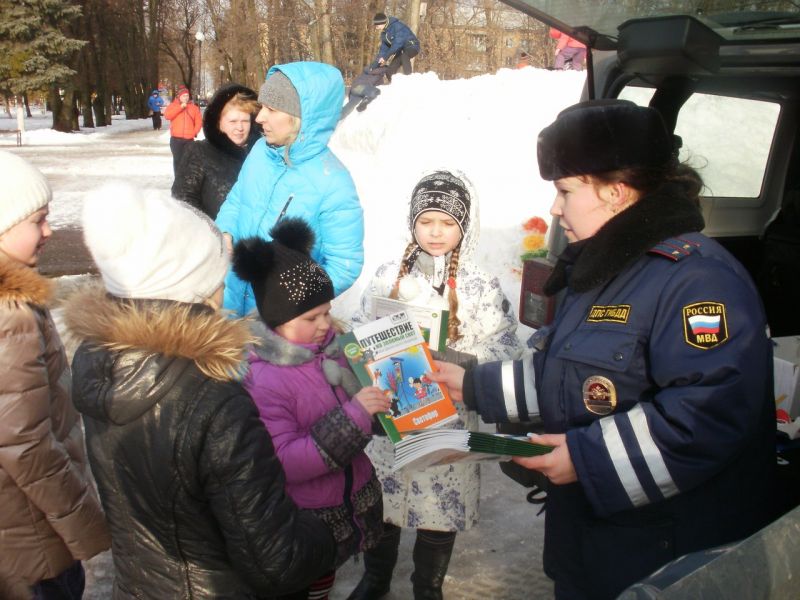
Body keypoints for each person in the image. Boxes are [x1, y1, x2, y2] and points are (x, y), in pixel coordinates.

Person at [427, 100, 776, 600]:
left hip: (663, 556)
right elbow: (573, 376)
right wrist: (471, 384)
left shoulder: (698, 280)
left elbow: (709, 415)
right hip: (596, 542)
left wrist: (587, 460)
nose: (554, 208)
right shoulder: (603, 268)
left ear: (616, 191)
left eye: (565, 191)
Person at [65, 184, 336, 599]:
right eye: (216, 276)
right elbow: (274, 559)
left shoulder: (97, 360)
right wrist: (327, 533)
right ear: (196, 288)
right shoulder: (213, 399)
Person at [348, 170, 524, 600]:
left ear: (462, 226)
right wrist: (372, 356)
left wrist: (459, 363)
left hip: (449, 412)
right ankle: (376, 579)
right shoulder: (389, 274)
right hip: (393, 412)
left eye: (447, 223)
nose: (436, 232)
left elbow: (505, 345)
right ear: (413, 223)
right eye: (427, 221)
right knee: (384, 502)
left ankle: (428, 587)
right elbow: (359, 328)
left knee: (440, 507)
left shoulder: (479, 284)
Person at [232, 217, 390, 600]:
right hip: (305, 520)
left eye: (326, 311)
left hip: (344, 508)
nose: (324, 325)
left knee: (324, 584)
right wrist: (355, 416)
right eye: (310, 318)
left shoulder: (336, 349)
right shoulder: (265, 378)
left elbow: (374, 408)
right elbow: (283, 459)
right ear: (277, 319)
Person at [0, 150, 110, 600]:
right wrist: (82, 520)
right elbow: (23, 443)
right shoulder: (13, 314)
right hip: (31, 533)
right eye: (38, 220)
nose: (49, 231)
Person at [216, 61, 364, 317]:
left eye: (271, 109)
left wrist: (290, 300)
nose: (259, 117)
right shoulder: (260, 152)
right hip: (228, 303)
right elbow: (238, 200)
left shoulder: (333, 182)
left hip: (280, 327)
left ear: (301, 117)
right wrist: (226, 231)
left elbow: (344, 265)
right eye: (262, 107)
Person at [171, 83, 260, 219]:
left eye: (245, 121)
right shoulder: (199, 152)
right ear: (219, 122)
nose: (240, 127)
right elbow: (183, 202)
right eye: (233, 121)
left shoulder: (261, 154)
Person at [164, 85, 203, 176]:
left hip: (189, 140)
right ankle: (178, 180)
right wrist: (180, 107)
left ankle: (186, 182)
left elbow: (199, 122)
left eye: (187, 96)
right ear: (179, 96)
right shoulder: (173, 106)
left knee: (188, 161)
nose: (186, 98)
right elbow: (167, 116)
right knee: (177, 161)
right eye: (183, 96)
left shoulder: (194, 108)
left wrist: (194, 132)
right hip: (176, 139)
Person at [371, 12, 420, 81]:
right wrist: (374, 66)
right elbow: (383, 51)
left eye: (377, 26)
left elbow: (397, 44)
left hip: (412, 46)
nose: (376, 28)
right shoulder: (384, 34)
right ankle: (395, 87)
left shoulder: (397, 26)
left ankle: (410, 80)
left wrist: (385, 58)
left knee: (404, 56)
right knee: (389, 72)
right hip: (401, 51)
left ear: (381, 23)